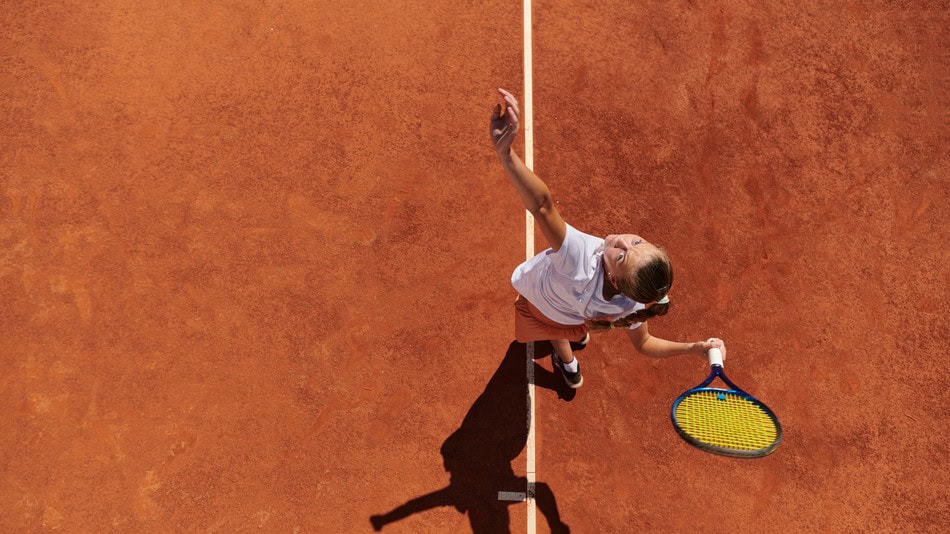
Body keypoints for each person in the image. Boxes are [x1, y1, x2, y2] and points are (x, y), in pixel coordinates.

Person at [490, 88, 726, 389]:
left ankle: (567, 360)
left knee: (552, 326)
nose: (623, 242)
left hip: (541, 306)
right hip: (575, 317)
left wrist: (506, 154)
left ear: (614, 278)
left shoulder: (577, 261)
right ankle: (570, 366)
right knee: (565, 327)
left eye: (622, 256)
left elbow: (542, 206)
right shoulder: (633, 305)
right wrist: (695, 348)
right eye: (638, 243)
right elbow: (645, 344)